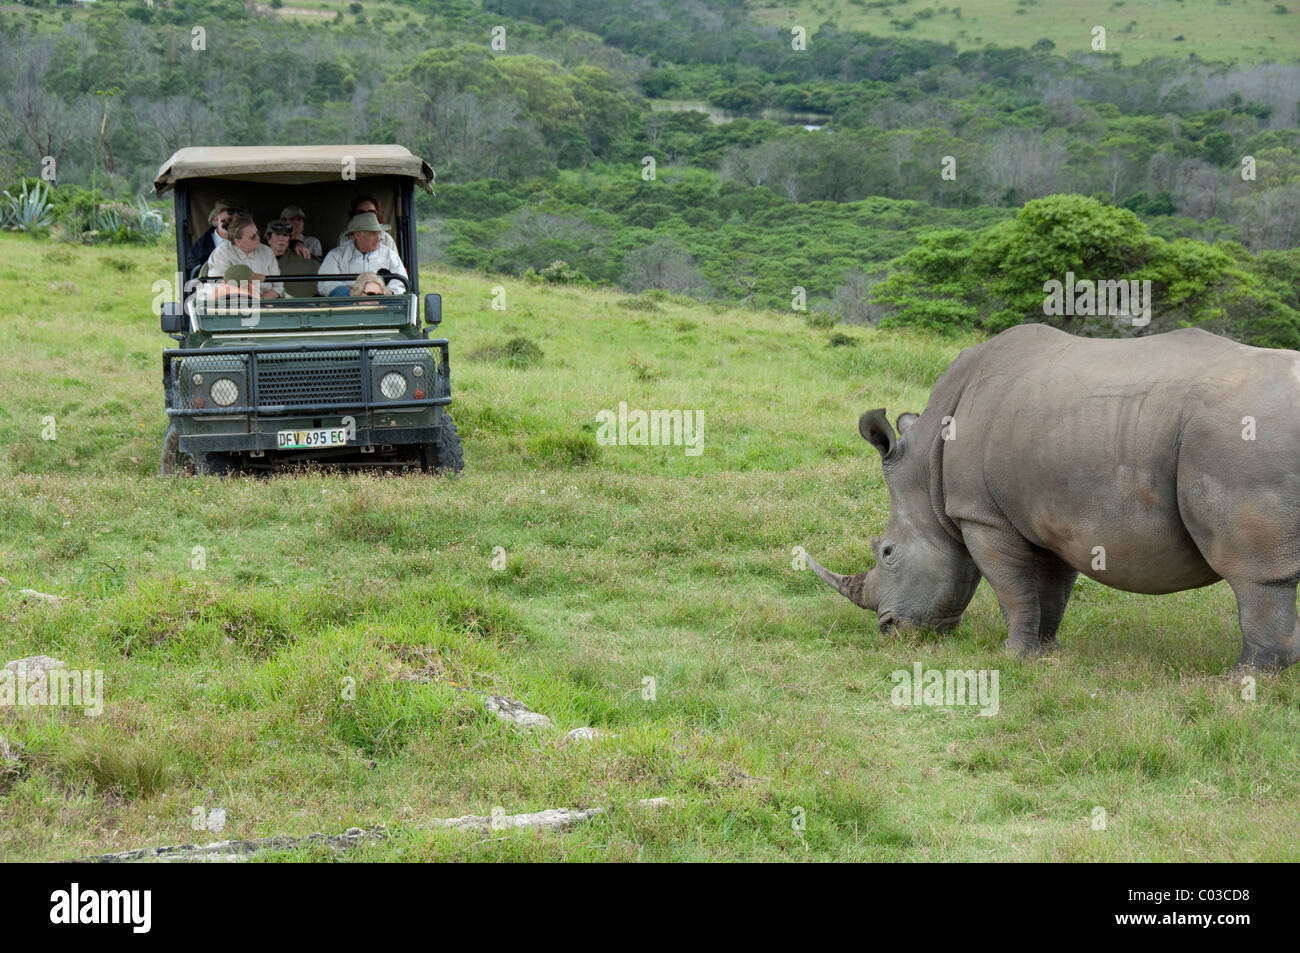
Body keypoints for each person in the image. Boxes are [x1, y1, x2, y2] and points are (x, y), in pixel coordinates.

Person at [317, 212, 407, 297]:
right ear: (357, 235)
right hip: (346, 307)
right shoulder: (337, 255)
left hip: (380, 305)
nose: (379, 238)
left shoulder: (389, 255)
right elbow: (325, 285)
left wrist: (386, 293)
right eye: (373, 233)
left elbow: (401, 281)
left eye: (379, 233)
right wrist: (352, 292)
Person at [204, 213, 282, 298]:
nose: (258, 238)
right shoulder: (222, 253)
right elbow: (219, 289)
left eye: (258, 233)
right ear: (237, 241)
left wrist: (261, 300)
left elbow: (278, 287)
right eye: (252, 237)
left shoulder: (267, 252)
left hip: (267, 304)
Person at [265, 219, 318, 298]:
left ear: (289, 239)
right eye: (277, 234)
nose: (281, 239)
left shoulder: (303, 257)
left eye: (285, 235)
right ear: (269, 238)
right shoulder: (258, 258)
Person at [186, 201, 241, 275]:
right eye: (229, 219)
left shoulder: (252, 242)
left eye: (238, 221)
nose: (233, 225)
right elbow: (195, 275)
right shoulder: (200, 248)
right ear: (216, 220)